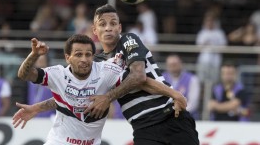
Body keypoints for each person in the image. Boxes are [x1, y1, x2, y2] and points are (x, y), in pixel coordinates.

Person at [14, 34, 187, 145]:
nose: (84, 59)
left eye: (88, 54)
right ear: (68, 57)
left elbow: (141, 81)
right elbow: (24, 74)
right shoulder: (57, 74)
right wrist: (34, 55)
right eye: (78, 54)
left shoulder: (106, 71)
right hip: (59, 141)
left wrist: (174, 94)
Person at [162, 54, 201, 119]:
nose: (173, 67)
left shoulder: (192, 79)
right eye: (170, 65)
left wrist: (177, 111)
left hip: (187, 116)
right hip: (165, 116)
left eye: (175, 64)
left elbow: (193, 104)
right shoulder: (161, 79)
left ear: (181, 64)